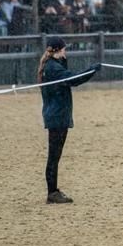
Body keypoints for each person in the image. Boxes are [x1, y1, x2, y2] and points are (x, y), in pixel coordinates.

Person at [38, 36, 100, 204]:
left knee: (55, 155)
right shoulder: (52, 68)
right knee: (54, 156)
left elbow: (68, 77)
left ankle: (53, 191)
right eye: (64, 49)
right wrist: (92, 70)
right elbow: (73, 79)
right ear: (57, 50)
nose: (66, 52)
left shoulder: (53, 65)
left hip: (57, 114)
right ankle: (52, 192)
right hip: (57, 115)